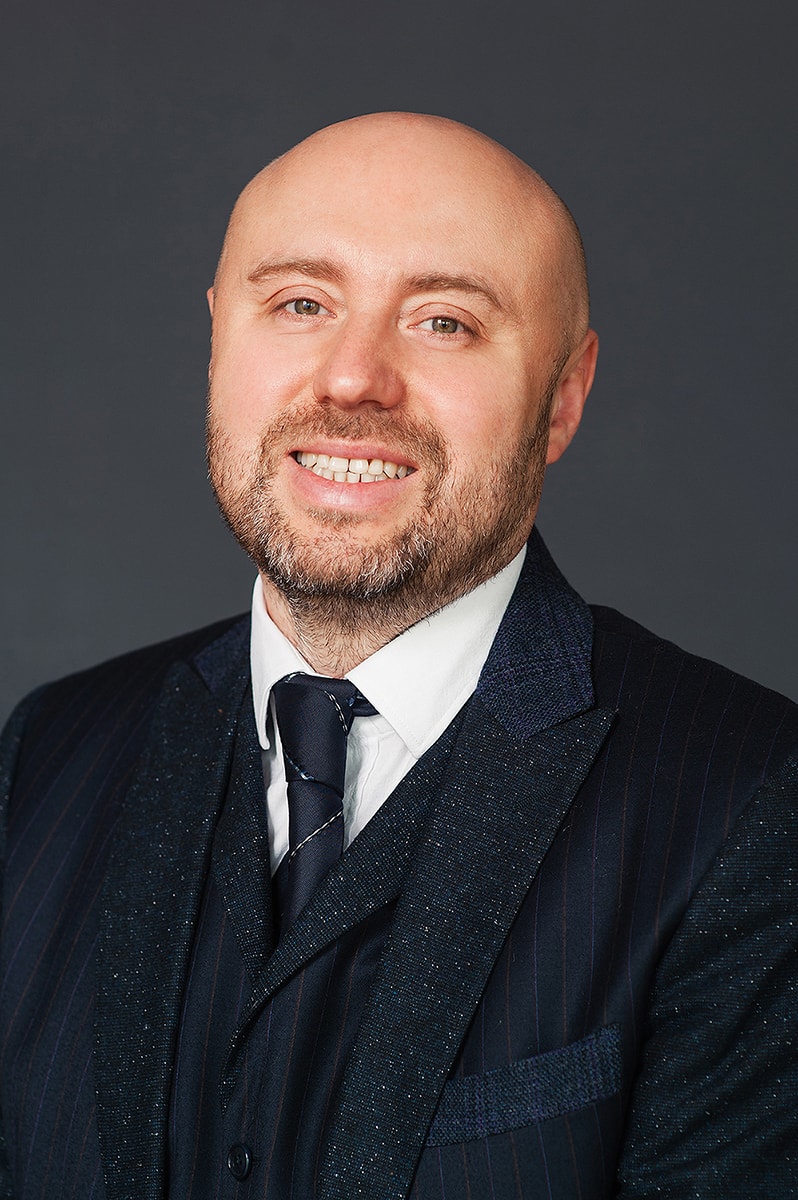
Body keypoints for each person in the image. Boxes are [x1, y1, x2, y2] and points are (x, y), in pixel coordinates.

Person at [1, 112, 795, 1200]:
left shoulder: (750, 801)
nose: (353, 380)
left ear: (564, 396)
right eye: (300, 304)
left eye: (444, 322)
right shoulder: (46, 756)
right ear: (218, 341)